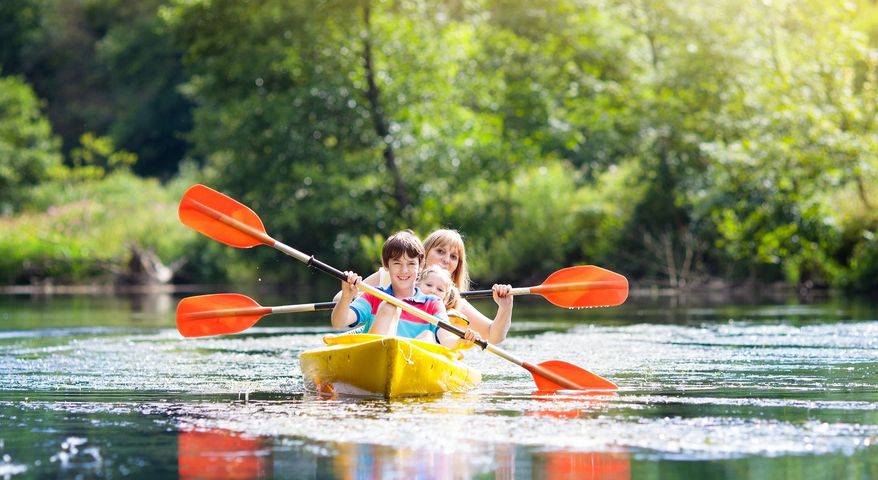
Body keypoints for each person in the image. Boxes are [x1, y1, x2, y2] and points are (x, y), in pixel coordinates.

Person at [353, 229, 513, 344]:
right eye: (440, 251)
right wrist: (367, 299)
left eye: (453, 257)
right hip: (378, 344)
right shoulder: (391, 275)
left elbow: (494, 336)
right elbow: (340, 298)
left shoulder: (456, 304)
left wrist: (505, 308)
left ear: (458, 265)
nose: (446, 260)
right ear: (424, 255)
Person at [330, 230, 478, 349]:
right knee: (388, 306)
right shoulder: (373, 296)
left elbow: (446, 337)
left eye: (411, 264)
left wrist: (462, 340)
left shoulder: (433, 303)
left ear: (421, 266)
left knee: (427, 335)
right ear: (386, 265)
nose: (404, 270)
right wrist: (346, 297)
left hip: (410, 363)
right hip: (374, 356)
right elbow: (338, 323)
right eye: (397, 263)